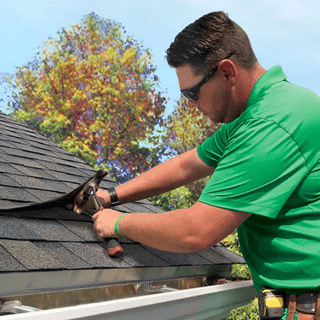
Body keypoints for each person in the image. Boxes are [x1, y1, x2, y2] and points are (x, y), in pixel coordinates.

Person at [73, 11, 320, 320]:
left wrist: (117, 223)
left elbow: (196, 231)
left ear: (228, 73)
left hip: (307, 306)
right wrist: (112, 196)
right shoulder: (263, 109)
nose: (189, 104)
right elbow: (187, 165)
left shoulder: (271, 124)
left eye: (192, 92)